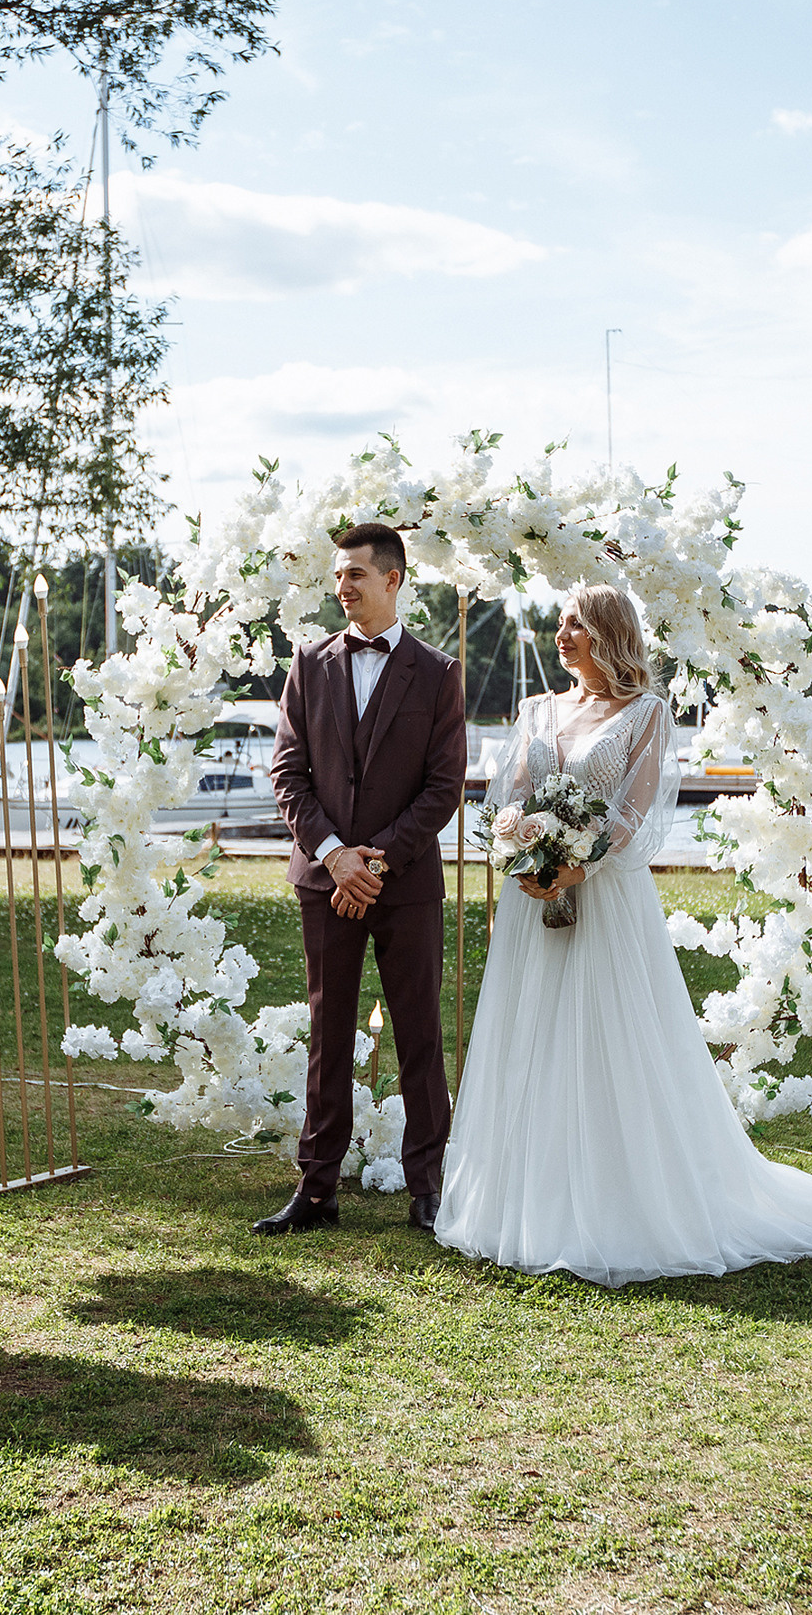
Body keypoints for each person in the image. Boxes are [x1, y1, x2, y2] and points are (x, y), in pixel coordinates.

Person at [434, 584, 812, 1285]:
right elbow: (511, 796)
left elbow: (634, 812)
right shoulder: (537, 710)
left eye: (576, 624)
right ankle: (526, 1197)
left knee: (608, 1034)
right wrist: (521, 844)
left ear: (609, 633)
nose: (562, 634)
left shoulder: (645, 713)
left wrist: (578, 865)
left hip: (605, 895)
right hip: (533, 894)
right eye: (561, 623)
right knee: (532, 1031)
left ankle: (622, 1198)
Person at [257, 523, 467, 1236]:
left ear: (392, 579)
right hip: (326, 881)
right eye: (338, 575)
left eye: (355, 574)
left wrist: (376, 859)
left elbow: (443, 786)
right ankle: (317, 1190)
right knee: (328, 1034)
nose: (342, 587)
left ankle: (427, 1187)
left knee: (419, 1035)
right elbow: (288, 773)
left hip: (404, 884)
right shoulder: (308, 663)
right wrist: (335, 855)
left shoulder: (437, 673)